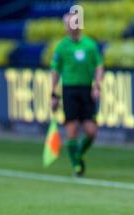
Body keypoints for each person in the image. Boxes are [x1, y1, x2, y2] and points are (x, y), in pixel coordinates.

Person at [51, 13, 104, 176]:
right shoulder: (61, 47)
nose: (68, 27)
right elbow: (55, 71)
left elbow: (99, 66)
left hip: (86, 90)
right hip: (69, 91)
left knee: (91, 131)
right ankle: (77, 166)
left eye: (71, 23)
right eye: (66, 24)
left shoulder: (90, 45)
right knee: (72, 129)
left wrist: (97, 85)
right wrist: (53, 94)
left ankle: (78, 154)